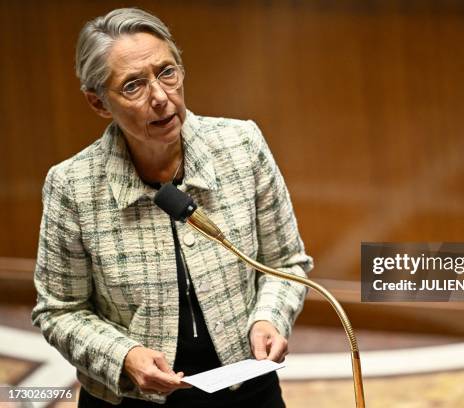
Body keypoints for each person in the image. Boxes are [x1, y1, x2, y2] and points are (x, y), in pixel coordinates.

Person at [31, 7, 312, 407]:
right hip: (130, 399)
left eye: (167, 72)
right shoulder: (72, 186)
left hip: (246, 388)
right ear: (98, 103)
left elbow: (286, 263)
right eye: (133, 86)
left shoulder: (241, 146)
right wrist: (123, 356)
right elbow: (60, 310)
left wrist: (269, 316)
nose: (161, 97)